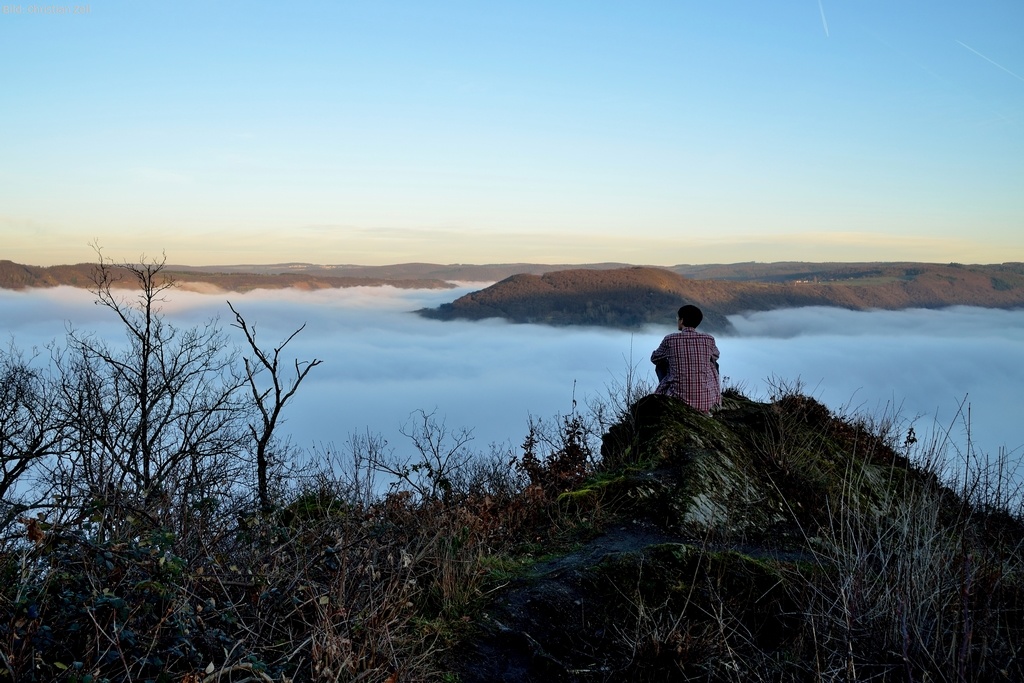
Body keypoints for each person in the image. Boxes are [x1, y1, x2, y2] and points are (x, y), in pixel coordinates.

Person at [651, 304, 721, 414]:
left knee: (661, 363)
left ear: (682, 320)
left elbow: (655, 358)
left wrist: (671, 358)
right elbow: (716, 356)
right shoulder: (709, 339)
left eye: (678, 318)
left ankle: (665, 391)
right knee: (713, 363)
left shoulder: (670, 339)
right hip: (706, 402)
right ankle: (710, 392)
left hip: (677, 399)